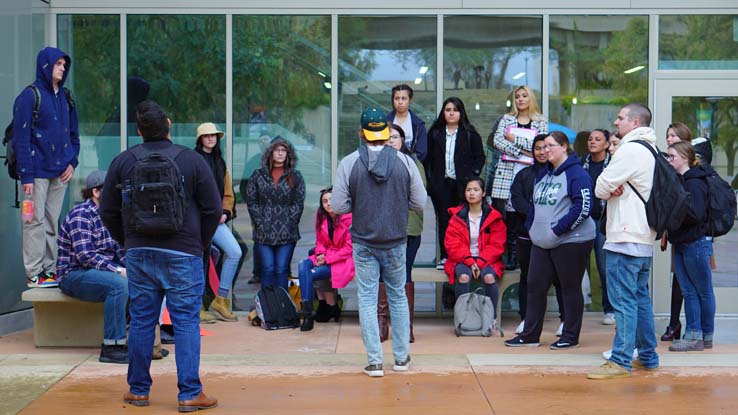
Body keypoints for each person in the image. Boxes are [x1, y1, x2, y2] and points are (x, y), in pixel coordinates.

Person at [100, 100, 221, 411]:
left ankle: (138, 390)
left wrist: (128, 241)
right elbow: (213, 209)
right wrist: (199, 243)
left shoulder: (123, 162)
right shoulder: (192, 161)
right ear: (168, 124)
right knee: (185, 323)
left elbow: (108, 211)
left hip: (139, 251)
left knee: (141, 321)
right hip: (183, 251)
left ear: (139, 130)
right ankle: (190, 393)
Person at [332, 107, 426, 378]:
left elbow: (338, 205)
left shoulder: (349, 163)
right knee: (397, 296)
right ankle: (401, 359)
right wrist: (397, 206)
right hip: (396, 240)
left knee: (368, 298)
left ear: (361, 132)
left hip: (363, 241)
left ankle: (374, 362)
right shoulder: (406, 162)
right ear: (386, 132)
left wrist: (358, 204)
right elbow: (419, 202)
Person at [587, 103, 660, 380]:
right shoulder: (650, 150)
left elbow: (601, 186)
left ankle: (620, 360)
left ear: (635, 122)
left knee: (623, 301)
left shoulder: (629, 149)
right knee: (640, 299)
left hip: (625, 235)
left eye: (620, 118)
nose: (616, 123)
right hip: (642, 237)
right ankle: (649, 356)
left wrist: (607, 188)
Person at [504, 131, 595, 350]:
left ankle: (570, 336)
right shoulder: (544, 174)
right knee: (535, 286)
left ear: (565, 147)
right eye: (543, 147)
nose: (545, 150)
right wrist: (533, 228)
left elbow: (583, 206)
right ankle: (530, 335)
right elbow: (535, 205)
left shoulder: (576, 174)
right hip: (542, 241)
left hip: (571, 240)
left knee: (570, 288)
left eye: (551, 146)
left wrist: (558, 229)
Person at [13, 46, 80, 288]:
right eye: (58, 64)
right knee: (34, 221)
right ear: (46, 65)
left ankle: (50, 271)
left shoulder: (66, 97)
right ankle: (34, 273)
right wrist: (26, 175)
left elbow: (74, 134)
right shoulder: (29, 96)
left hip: (60, 173)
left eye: (64, 64)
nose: (63, 68)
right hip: (36, 173)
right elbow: (21, 139)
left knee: (52, 221)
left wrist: (73, 161)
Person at [57, 170, 128, 364]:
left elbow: (120, 251)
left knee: (143, 280)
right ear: (96, 192)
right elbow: (85, 256)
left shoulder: (110, 216)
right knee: (119, 285)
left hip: (100, 272)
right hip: (74, 275)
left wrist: (134, 268)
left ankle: (147, 343)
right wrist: (118, 270)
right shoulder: (81, 215)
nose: (117, 195)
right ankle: (112, 348)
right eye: (113, 190)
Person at [510, 134, 564, 336]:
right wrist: (536, 216)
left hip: (555, 234)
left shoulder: (560, 174)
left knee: (560, 278)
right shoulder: (523, 175)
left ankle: (565, 320)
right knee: (528, 278)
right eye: (538, 148)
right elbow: (517, 200)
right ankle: (526, 318)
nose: (542, 152)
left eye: (546, 147)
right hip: (527, 234)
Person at [378, 124, 427, 343]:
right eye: (387, 138)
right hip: (381, 228)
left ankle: (406, 326)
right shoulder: (375, 162)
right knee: (381, 272)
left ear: (403, 140)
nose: (390, 141)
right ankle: (381, 323)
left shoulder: (414, 163)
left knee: (404, 273)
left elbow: (418, 195)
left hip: (408, 227)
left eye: (395, 137)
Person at [490, 86, 548, 271]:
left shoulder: (540, 121)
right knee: (509, 216)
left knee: (527, 211)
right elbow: (497, 141)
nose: (520, 99)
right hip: (507, 172)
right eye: (517, 97)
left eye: (524, 96)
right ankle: (511, 256)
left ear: (531, 98)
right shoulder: (507, 119)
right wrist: (522, 151)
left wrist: (514, 138)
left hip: (531, 173)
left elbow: (540, 145)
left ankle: (529, 255)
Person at [665, 141, 715, 352]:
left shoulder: (695, 182)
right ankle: (694, 335)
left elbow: (696, 213)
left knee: (702, 290)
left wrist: (673, 216)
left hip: (695, 242)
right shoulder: (681, 180)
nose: (669, 160)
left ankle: (703, 335)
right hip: (682, 241)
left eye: (672, 156)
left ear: (684, 158)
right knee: (688, 290)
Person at [426, 97, 485, 269]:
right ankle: (445, 257)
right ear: (443, 113)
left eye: (455, 110)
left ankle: (464, 256)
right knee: (444, 221)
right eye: (448, 110)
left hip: (463, 185)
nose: (451, 113)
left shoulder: (470, 133)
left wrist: (472, 175)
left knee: (462, 220)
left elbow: (480, 157)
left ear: (461, 113)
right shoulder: (435, 133)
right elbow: (427, 159)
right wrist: (432, 182)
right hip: (441, 184)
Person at [444, 177, 506, 332]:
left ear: (484, 193)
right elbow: (452, 245)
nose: (471, 193)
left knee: (489, 277)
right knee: (464, 277)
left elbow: (497, 245)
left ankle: (490, 319)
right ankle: (461, 318)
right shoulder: (457, 217)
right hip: (462, 260)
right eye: (468, 190)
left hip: (487, 260)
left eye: (476, 190)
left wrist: (480, 262)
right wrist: (471, 262)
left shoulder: (494, 217)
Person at [194, 122, 241, 322]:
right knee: (199, 261)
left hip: (216, 221)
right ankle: (197, 307)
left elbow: (228, 194)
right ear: (200, 140)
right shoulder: (194, 160)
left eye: (214, 136)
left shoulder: (220, 163)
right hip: (197, 222)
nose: (211, 138)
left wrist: (225, 212)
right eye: (207, 136)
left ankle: (220, 300)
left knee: (235, 252)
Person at [246, 137, 305, 290]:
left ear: (288, 154)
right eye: (277, 150)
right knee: (267, 270)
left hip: (287, 233)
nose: (280, 153)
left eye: (283, 150)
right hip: (263, 233)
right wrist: (260, 223)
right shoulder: (257, 175)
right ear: (270, 153)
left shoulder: (295, 176)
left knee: (281, 270)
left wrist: (290, 222)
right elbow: (252, 202)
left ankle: (282, 309)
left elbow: (298, 203)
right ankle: (268, 309)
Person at [297, 187, 354, 331]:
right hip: (327, 255)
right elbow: (320, 241)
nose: (328, 203)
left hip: (342, 260)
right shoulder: (322, 216)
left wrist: (326, 258)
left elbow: (349, 248)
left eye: (331, 200)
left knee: (310, 273)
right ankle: (308, 308)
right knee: (303, 264)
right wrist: (320, 253)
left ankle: (309, 314)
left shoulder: (349, 218)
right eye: (324, 201)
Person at [581, 129, 615, 326]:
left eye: (598, 139)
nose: (592, 142)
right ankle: (580, 306)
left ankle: (609, 309)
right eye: (590, 139)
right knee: (579, 267)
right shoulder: (581, 163)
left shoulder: (613, 164)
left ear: (606, 144)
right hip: (584, 221)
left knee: (604, 267)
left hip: (604, 221)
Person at [386, 84, 428, 163]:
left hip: (411, 166)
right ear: (393, 100)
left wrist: (407, 163)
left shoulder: (418, 124)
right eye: (397, 98)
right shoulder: (385, 122)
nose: (400, 102)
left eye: (404, 98)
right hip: (388, 166)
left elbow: (421, 152)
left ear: (410, 100)